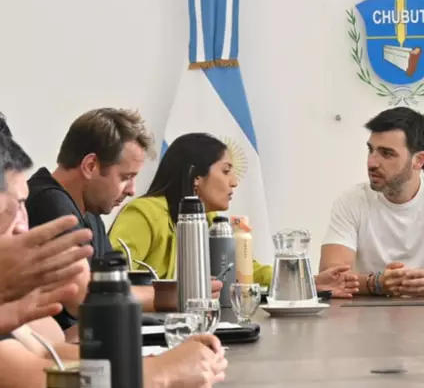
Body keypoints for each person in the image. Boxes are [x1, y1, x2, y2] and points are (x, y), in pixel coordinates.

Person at [0, 132, 228, 387]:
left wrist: (157, 362)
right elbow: (36, 378)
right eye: (15, 206)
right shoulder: (52, 201)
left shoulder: (90, 213)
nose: (23, 225)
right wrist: (162, 371)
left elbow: (46, 352)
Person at [23, 109, 221, 337]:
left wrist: (175, 293)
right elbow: (81, 297)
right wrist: (174, 296)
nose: (132, 190)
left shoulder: (90, 213)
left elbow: (114, 287)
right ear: (90, 165)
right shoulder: (50, 203)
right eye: (125, 177)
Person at [109, 133, 360, 297]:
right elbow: (112, 284)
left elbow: (248, 271)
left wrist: (308, 282)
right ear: (196, 176)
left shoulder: (210, 222)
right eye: (226, 171)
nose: (234, 182)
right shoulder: (143, 214)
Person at [319, 107, 424, 296]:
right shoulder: (351, 200)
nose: (371, 163)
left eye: (387, 153)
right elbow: (330, 278)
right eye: (371, 150)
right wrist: (377, 283)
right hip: (369, 310)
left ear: (419, 160)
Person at [0, 132, 93, 336]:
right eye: (125, 177)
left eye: (23, 204)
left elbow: (51, 346)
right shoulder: (51, 200)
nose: (22, 226)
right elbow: (85, 298)